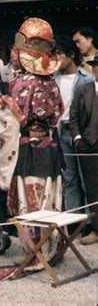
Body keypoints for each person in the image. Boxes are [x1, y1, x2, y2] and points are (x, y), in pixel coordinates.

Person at [0, 18, 63, 263]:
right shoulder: (52, 83)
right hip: (50, 148)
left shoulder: (23, 83)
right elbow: (55, 117)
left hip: (29, 149)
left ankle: (34, 253)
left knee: (29, 199)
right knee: (50, 197)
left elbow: (10, 123)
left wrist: (2, 109)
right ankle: (51, 248)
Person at [54, 35, 93, 212]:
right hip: (62, 131)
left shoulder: (86, 79)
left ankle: (90, 222)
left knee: (88, 179)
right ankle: (74, 220)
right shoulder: (53, 80)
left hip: (83, 132)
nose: (57, 58)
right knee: (69, 179)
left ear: (70, 54)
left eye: (60, 54)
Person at [70, 53, 98, 245]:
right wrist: (78, 138)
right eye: (96, 65)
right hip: (88, 145)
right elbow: (73, 117)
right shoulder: (83, 89)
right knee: (92, 189)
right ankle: (96, 229)